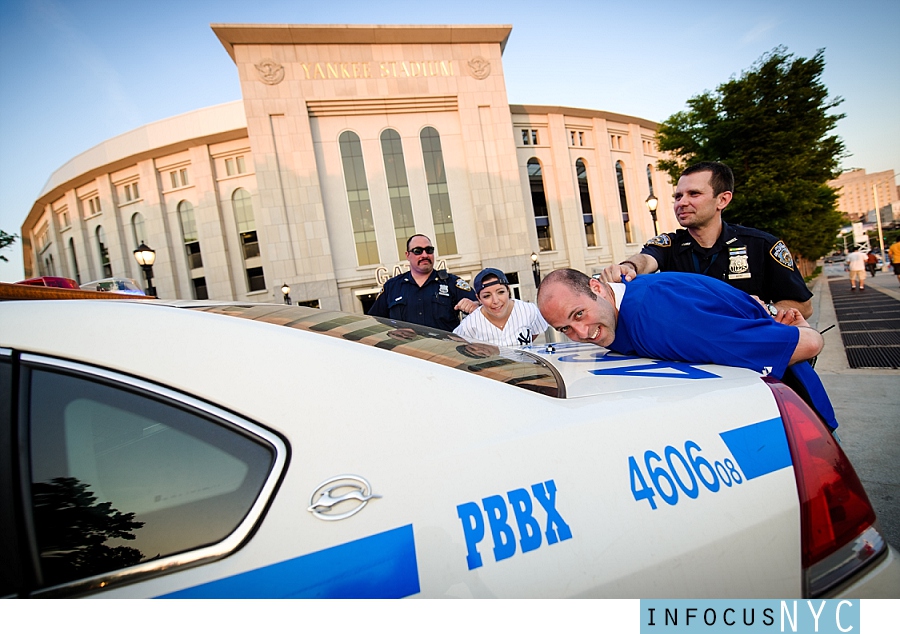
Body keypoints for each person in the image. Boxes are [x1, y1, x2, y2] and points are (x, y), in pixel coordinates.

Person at [537, 268, 837, 430]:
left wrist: (805, 330)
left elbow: (808, 345)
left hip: (794, 424)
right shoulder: (619, 312)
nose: (581, 333)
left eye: (579, 314)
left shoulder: (664, 319)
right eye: (565, 329)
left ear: (598, 288)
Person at [600, 161, 813, 318]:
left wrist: (767, 309)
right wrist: (628, 267)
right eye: (678, 196)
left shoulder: (762, 245)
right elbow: (646, 260)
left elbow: (804, 306)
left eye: (694, 194)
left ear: (722, 199)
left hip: (751, 359)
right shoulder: (670, 244)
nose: (681, 203)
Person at [368, 234, 478, 331]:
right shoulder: (392, 287)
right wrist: (391, 333)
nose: (424, 255)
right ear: (407, 255)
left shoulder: (452, 283)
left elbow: (483, 310)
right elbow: (374, 323)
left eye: (429, 250)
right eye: (418, 251)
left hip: (444, 351)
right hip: (405, 352)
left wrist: (475, 305)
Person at [453, 268, 549, 347]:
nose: (495, 301)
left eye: (500, 292)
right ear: (478, 298)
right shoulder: (469, 324)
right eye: (487, 296)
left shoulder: (528, 310)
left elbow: (536, 331)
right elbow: (456, 347)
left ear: (508, 290)